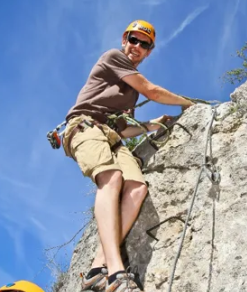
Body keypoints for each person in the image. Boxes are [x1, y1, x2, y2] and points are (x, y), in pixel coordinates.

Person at [62, 20, 194, 292]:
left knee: (136, 188)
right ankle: (116, 273)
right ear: (125, 40)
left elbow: (123, 129)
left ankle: (97, 268)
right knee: (111, 178)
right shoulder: (113, 57)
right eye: (134, 40)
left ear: (149, 52)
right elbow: (153, 91)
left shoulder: (130, 92)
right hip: (85, 125)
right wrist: (188, 103)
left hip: (112, 137)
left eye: (144, 44)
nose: (137, 46)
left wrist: (149, 125)